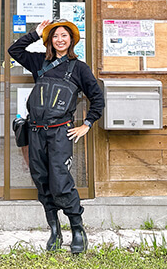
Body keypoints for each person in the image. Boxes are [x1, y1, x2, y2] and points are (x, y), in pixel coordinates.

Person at [8, 19, 104, 253]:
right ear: (50, 40)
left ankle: (77, 229)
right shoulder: (40, 61)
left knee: (61, 182)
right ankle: (54, 230)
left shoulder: (79, 67)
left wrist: (87, 124)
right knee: (41, 180)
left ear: (71, 40)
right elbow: (14, 51)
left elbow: (97, 99)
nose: (60, 39)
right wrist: (35, 33)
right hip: (35, 132)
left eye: (64, 36)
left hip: (61, 133)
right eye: (55, 36)